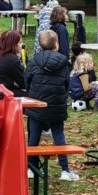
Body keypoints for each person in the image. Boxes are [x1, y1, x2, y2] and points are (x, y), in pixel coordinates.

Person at [25, 30, 77, 181]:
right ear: (56, 45)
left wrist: (32, 95)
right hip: (56, 105)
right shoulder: (64, 63)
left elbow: (27, 80)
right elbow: (67, 83)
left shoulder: (33, 61)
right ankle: (65, 170)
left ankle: (30, 168)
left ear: (40, 45)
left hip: (37, 105)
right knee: (59, 136)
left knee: (33, 137)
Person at [0, 28, 25, 94]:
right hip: (4, 93)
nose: (22, 45)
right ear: (13, 45)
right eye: (20, 43)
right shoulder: (12, 60)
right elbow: (23, 83)